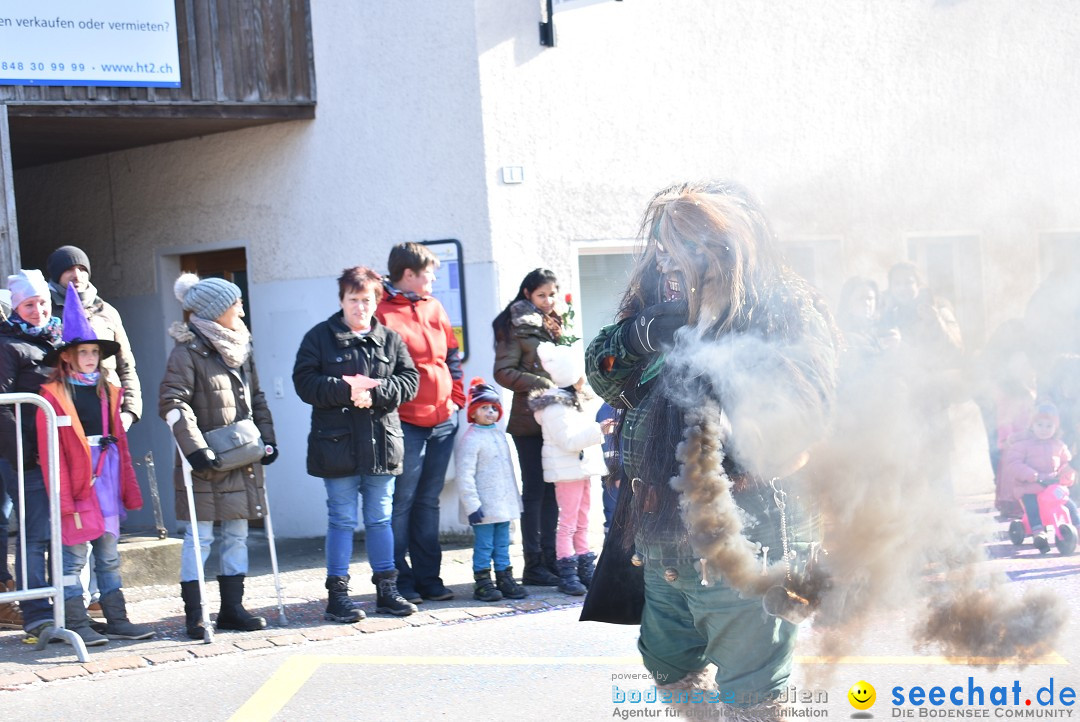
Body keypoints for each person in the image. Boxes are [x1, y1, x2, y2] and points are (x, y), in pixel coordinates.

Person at [584, 182, 837, 716]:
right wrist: (641, 336)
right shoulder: (655, 305)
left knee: (752, 694)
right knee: (670, 671)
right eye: (662, 246)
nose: (667, 260)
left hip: (745, 539)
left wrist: (731, 368)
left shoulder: (781, 305)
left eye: (683, 247)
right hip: (658, 538)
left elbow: (802, 423)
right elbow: (602, 376)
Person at [294, 266, 421, 619]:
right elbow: (304, 382)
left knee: (381, 518)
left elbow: (410, 381)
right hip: (336, 446)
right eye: (353, 300)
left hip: (381, 443)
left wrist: (377, 392)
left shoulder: (391, 339)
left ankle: (387, 590)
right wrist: (346, 390)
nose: (360, 307)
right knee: (341, 520)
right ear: (341, 300)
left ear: (377, 301)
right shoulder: (318, 338)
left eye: (366, 300)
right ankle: (338, 596)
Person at [160, 273, 278, 638]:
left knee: (238, 534)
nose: (242, 308)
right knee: (201, 538)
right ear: (217, 310)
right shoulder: (186, 353)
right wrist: (195, 451)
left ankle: (232, 609)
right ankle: (196, 614)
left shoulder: (242, 348)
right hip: (207, 461)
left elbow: (256, 399)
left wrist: (269, 441)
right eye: (235, 303)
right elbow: (173, 403)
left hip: (243, 458)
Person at [36, 283, 154, 646]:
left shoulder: (109, 390)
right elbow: (49, 449)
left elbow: (118, 439)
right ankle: (76, 620)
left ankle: (117, 618)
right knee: (74, 555)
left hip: (105, 477)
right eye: (82, 352)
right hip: (73, 481)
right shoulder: (50, 396)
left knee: (108, 552)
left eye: (94, 352)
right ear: (67, 356)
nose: (89, 357)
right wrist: (62, 493)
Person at [375, 242, 465, 604]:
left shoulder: (434, 306)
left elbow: (452, 355)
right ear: (408, 274)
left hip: (443, 419)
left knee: (428, 501)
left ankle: (429, 578)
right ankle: (399, 581)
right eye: (428, 272)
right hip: (406, 422)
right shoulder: (380, 310)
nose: (433, 279)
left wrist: (456, 399)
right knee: (402, 501)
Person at [0, 270, 61, 640]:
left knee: (61, 533)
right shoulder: (7, 345)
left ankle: (68, 606)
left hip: (61, 455)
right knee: (35, 534)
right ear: (16, 307)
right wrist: (21, 454)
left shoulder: (58, 340)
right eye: (28, 304)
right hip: (26, 457)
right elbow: (2, 405)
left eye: (41, 302)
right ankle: (37, 613)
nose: (37, 310)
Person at [492, 268, 564, 586]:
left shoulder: (554, 323)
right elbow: (503, 372)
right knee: (535, 491)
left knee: (553, 490)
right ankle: (533, 564)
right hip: (528, 421)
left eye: (552, 294)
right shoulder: (515, 326)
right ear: (527, 295)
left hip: (556, 420)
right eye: (541, 295)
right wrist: (544, 383)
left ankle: (552, 559)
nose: (548, 301)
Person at [529, 342, 608, 596]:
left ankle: (584, 566)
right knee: (568, 522)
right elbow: (569, 441)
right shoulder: (555, 406)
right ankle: (568, 572)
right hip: (567, 471)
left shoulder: (574, 401)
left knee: (583, 519)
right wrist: (599, 431)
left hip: (580, 468)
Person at [46, 245, 142, 430]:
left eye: (82, 269)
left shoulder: (107, 311)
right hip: (69, 412)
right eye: (69, 270)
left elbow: (126, 365)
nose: (77, 275)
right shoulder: (47, 312)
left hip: (110, 408)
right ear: (57, 275)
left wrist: (130, 411)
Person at [454, 378, 528, 602]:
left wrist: (514, 500)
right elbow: (465, 475)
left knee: (503, 542)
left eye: (494, 408)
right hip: (483, 507)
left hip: (503, 505)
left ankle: (504, 576)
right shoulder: (471, 439)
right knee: (485, 544)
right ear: (473, 412)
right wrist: (472, 506)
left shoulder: (499, 435)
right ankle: (483, 581)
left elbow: (507, 472)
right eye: (484, 408)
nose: (490, 412)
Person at [1001, 402, 1079, 551]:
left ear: (1056, 428)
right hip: (1029, 487)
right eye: (1040, 425)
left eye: (1049, 426)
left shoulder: (1059, 445)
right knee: (1032, 506)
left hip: (1052, 487)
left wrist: (1067, 476)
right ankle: (1038, 531)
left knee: (1070, 505)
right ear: (1032, 425)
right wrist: (1032, 475)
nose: (1044, 430)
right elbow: (1014, 464)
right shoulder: (1022, 445)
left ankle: (1077, 526)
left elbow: (1066, 463)